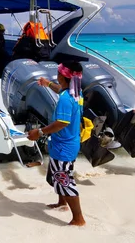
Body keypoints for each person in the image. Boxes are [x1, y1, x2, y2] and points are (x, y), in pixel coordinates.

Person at [28, 61, 86, 226]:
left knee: (64, 179)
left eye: (58, 72)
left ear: (63, 75)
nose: (57, 75)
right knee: (57, 175)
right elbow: (60, 89)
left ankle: (78, 219)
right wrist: (47, 84)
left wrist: (38, 132)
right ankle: (62, 203)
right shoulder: (76, 92)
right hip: (66, 143)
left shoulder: (66, 99)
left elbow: (62, 122)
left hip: (64, 147)